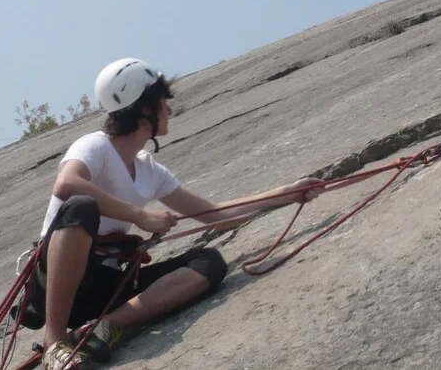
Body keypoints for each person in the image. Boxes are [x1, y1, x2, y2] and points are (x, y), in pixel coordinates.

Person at [30, 58, 324, 369]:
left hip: (107, 283)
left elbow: (215, 215)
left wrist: (287, 194)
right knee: (81, 206)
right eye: (162, 103)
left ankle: (103, 328)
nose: (169, 110)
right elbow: (67, 184)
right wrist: (140, 217)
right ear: (144, 109)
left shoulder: (149, 170)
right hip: (59, 284)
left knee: (209, 262)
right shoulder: (95, 146)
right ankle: (55, 342)